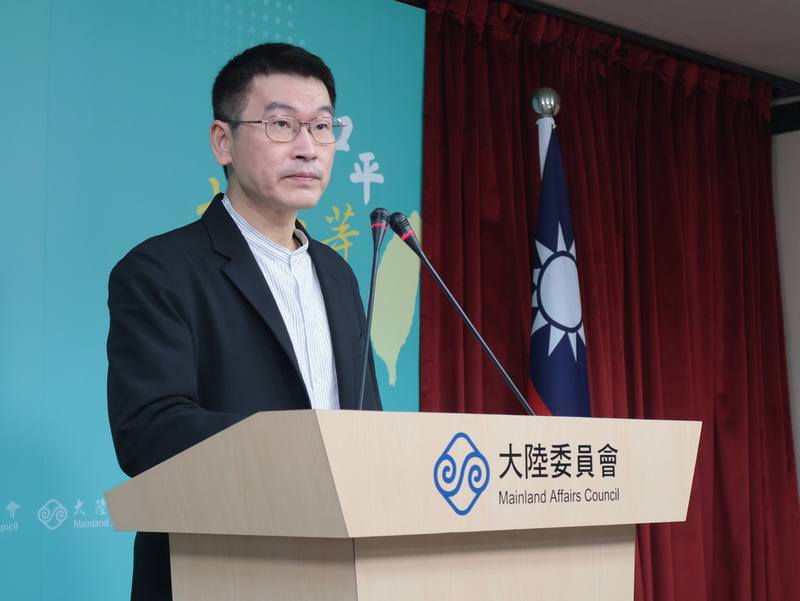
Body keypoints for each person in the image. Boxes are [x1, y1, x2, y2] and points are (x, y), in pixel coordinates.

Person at [106, 43, 382, 601]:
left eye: (323, 127)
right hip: (217, 568)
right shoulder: (159, 270)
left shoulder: (339, 276)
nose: (308, 147)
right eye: (281, 124)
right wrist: (307, 452)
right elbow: (150, 432)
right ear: (222, 141)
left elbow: (364, 424)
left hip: (339, 569)